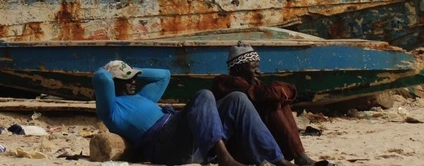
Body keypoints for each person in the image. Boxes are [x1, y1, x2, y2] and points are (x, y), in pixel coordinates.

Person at [93, 60, 295, 166]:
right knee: (204, 95)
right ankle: (224, 157)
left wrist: (131, 70)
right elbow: (101, 77)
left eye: (133, 77)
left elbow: (164, 75)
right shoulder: (111, 109)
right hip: (165, 144)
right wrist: (110, 68)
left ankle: (277, 159)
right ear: (114, 82)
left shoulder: (144, 96)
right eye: (126, 79)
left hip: (190, 136)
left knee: (237, 99)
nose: (133, 81)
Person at [211, 43, 324, 166]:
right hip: (233, 147)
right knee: (272, 105)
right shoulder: (226, 82)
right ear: (238, 68)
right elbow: (266, 94)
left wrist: (281, 92)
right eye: (253, 67)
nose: (258, 71)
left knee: (279, 103)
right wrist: (283, 90)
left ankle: (299, 156)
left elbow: (279, 93)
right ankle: (298, 156)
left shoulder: (251, 83)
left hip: (253, 144)